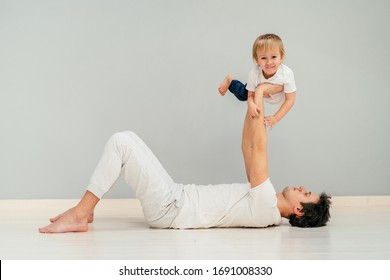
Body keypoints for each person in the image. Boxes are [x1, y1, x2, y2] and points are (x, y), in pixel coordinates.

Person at [39, 89, 330, 234]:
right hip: (176, 198)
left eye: (306, 194)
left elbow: (259, 146)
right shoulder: (263, 203)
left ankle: (80, 214)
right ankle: (86, 211)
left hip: (171, 208)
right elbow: (246, 145)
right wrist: (250, 98)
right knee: (126, 138)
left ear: (298, 211)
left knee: (121, 142)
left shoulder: (266, 203)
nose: (303, 187)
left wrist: (262, 93)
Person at [218, 33, 296, 130]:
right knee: (243, 94)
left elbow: (290, 100)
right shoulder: (254, 73)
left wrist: (275, 118)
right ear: (257, 60)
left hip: (275, 96)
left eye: (274, 57)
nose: (269, 62)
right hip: (257, 85)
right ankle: (230, 80)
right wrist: (250, 104)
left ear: (281, 57)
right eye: (263, 58)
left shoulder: (286, 74)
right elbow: (250, 95)